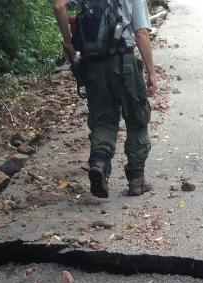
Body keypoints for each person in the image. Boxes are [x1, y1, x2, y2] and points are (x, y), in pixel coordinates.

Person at [54, 0, 158, 198]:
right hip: (124, 64)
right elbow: (141, 33)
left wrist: (69, 43)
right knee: (137, 120)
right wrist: (151, 72)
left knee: (102, 122)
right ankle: (136, 180)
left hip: (93, 67)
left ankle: (99, 164)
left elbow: (59, 6)